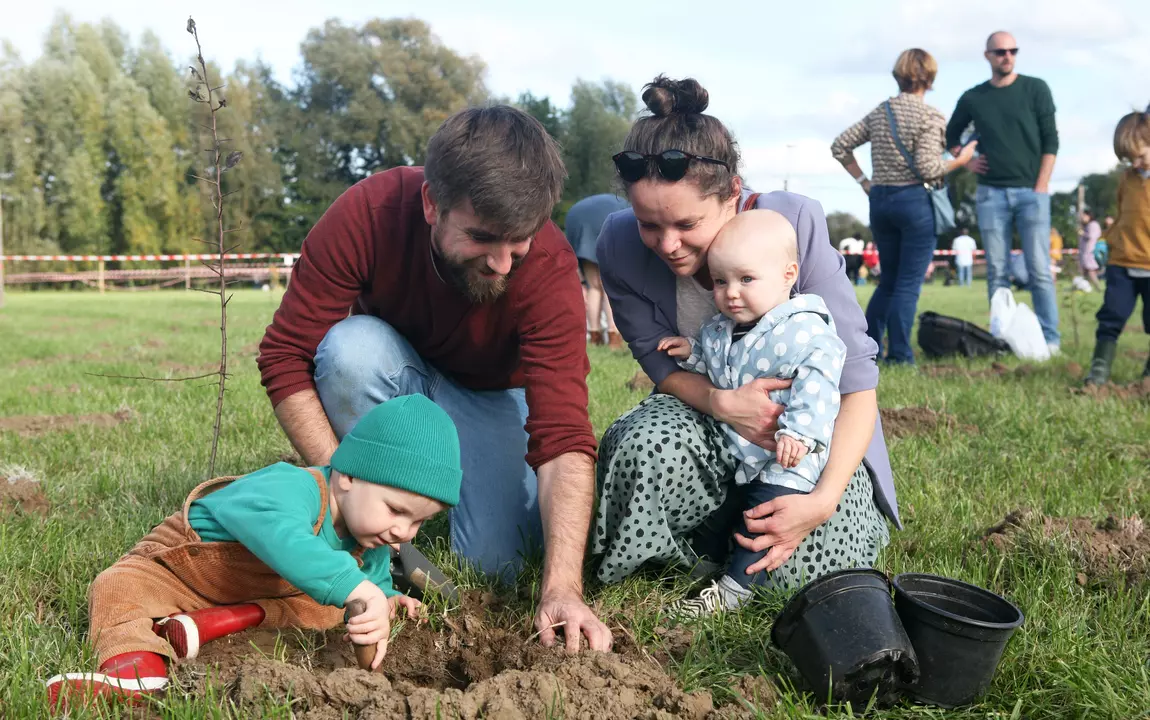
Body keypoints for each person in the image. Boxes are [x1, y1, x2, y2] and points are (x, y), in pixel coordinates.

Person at [257, 105, 611, 652]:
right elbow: (284, 356)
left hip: (493, 395)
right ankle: (373, 515)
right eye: (482, 237)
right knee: (350, 351)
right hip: (396, 374)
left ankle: (424, 509)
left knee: (497, 563)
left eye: (518, 240)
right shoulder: (370, 213)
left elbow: (563, 436)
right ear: (431, 204)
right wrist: (336, 490)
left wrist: (563, 587)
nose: (501, 264)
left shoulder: (549, 267)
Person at [592, 75, 898, 596]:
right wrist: (722, 402)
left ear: (732, 193)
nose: (667, 245)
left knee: (807, 572)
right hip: (705, 416)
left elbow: (854, 382)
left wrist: (821, 501)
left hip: (806, 440)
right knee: (638, 446)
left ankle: (742, 545)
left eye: (687, 224)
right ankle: (688, 553)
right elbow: (660, 365)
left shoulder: (791, 222)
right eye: (649, 224)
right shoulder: (618, 244)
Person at [44, 397, 461, 709]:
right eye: (396, 511)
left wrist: (385, 597)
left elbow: (371, 581)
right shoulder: (290, 486)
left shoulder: (370, 538)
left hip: (257, 596)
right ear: (349, 475)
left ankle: (211, 625)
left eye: (419, 523)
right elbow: (280, 536)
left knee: (331, 611)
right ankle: (135, 670)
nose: (402, 533)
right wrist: (355, 586)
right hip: (181, 571)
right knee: (117, 586)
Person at [655, 210, 847, 615]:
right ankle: (703, 562)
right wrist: (690, 352)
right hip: (740, 451)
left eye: (746, 279)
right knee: (723, 509)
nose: (731, 293)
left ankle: (734, 591)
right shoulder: (722, 328)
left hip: (786, 457)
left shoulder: (806, 330)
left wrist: (799, 432)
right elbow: (715, 360)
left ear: (788, 275)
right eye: (721, 281)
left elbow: (820, 384)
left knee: (761, 522)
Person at [833, 48, 977, 364]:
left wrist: (864, 182)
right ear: (930, 77)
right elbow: (928, 168)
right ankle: (899, 355)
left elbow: (840, 145)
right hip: (913, 202)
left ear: (899, 75)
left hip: (880, 200)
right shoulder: (930, 116)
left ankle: (867, 351)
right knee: (907, 286)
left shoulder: (880, 112)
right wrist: (961, 161)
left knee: (888, 282)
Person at [946, 31, 1061, 354]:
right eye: (999, 52)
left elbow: (1051, 140)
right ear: (988, 56)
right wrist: (967, 163)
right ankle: (1001, 339)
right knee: (997, 270)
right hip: (991, 194)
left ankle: (1050, 341)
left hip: (1031, 193)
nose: (1006, 56)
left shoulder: (1035, 88)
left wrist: (1041, 184)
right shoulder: (974, 98)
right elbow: (950, 136)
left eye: (1012, 50)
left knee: (1039, 269)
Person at [1085, 107, 1150, 385]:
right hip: (1122, 263)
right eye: (1128, 159)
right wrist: (1105, 241)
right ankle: (1098, 372)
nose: (1135, 163)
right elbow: (1122, 217)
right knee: (1111, 315)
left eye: (1140, 155)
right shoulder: (1127, 179)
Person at [565, 193, 631, 348]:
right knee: (609, 287)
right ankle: (613, 336)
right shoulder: (626, 206)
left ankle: (595, 336)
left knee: (593, 286)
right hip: (606, 223)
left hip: (580, 221)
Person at [1078, 209, 1103, 290]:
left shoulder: (1093, 225)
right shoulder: (1088, 225)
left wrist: (1083, 233)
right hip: (1086, 252)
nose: (1082, 218)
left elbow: (1092, 236)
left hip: (1090, 251)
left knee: (1090, 270)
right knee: (1085, 271)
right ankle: (1083, 287)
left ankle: (1097, 287)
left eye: (1084, 216)